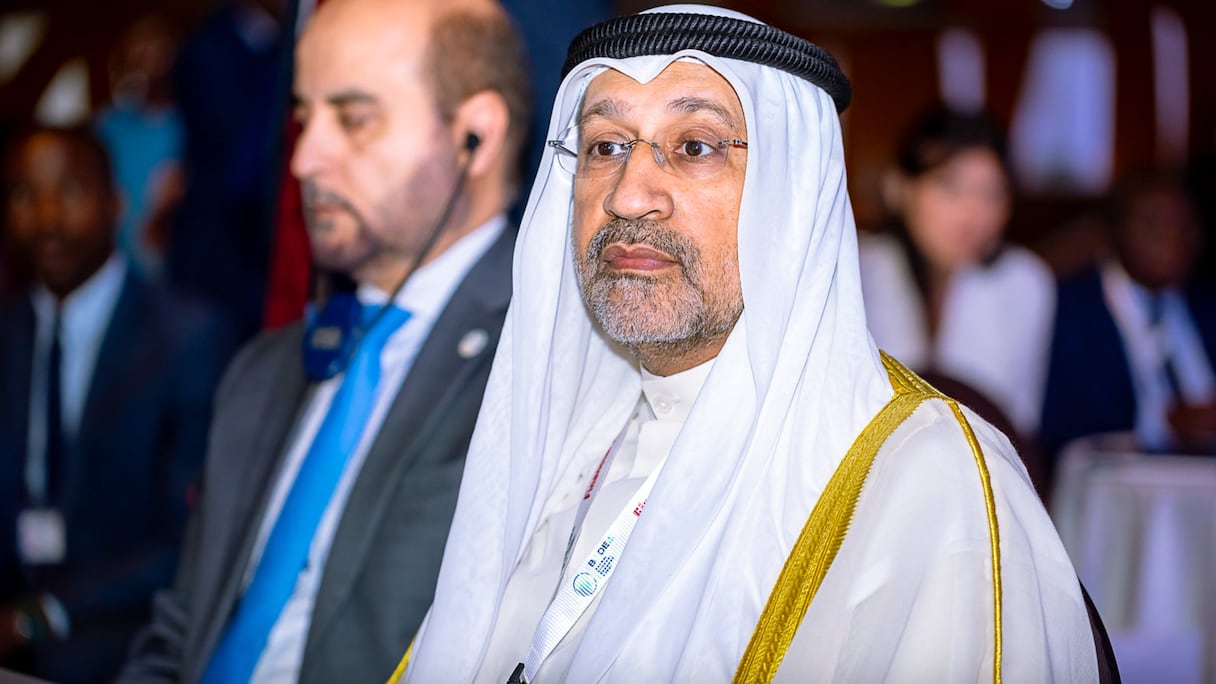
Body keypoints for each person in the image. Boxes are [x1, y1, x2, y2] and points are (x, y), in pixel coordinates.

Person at [400, 6, 1102, 683]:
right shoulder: (565, 444)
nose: (628, 194)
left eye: (696, 147)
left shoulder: (925, 482)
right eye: (605, 146)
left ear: (789, 194)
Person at [118, 0, 530, 682]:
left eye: (354, 119)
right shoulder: (264, 367)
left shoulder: (541, 370)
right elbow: (178, 635)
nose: (305, 159)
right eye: (304, 118)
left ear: (476, 137)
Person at [0, 126, 234, 684]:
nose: (48, 218)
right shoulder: (7, 332)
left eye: (70, 192)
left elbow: (190, 540)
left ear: (115, 204)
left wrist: (42, 616)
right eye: (25, 195)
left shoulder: (185, 337)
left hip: (123, 638)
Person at [859, 106, 1055, 440]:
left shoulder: (1024, 281)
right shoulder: (861, 268)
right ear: (899, 187)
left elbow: (1016, 420)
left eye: (991, 193)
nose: (972, 212)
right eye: (950, 187)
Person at [1042, 170, 1216, 459]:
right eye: (1152, 222)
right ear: (1114, 231)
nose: (1173, 237)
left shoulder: (1205, 304)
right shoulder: (1070, 311)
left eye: (1185, 224)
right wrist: (1164, 425)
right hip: (1114, 479)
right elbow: (1060, 427)